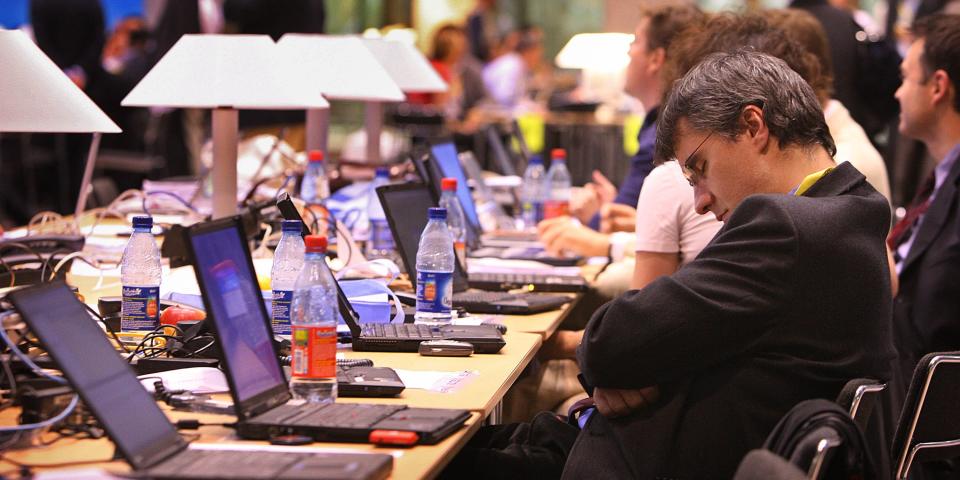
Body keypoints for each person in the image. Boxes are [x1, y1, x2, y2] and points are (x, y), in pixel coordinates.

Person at [445, 50, 895, 479]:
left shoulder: (785, 226)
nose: (699, 203)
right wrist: (638, 365)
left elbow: (611, 342)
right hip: (647, 446)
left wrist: (632, 365)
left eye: (700, 168)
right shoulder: (854, 208)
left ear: (753, 125)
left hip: (638, 461)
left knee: (431, 458)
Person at [536, 3, 706, 259]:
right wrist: (608, 209)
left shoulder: (663, 136)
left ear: (655, 59)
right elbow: (627, 221)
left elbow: (604, 237)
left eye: (635, 43)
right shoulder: (669, 126)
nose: (628, 52)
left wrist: (594, 220)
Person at [888, 16, 960, 478]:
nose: (896, 92)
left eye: (904, 77)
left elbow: (934, 320)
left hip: (931, 436)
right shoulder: (939, 178)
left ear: (938, 86)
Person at [482, 26, 544, 110]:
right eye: (537, 53)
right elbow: (504, 98)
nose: (539, 58)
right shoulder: (513, 65)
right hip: (489, 111)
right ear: (528, 52)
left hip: (498, 110)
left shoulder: (518, 64)